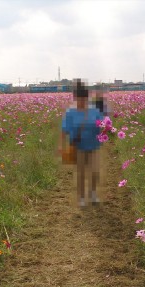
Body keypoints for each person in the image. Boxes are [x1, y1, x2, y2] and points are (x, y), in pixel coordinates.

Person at [60, 79, 104, 208]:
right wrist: (61, 146)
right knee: (81, 173)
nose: (82, 102)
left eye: (84, 99)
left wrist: (106, 129)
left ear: (87, 98)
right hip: (78, 146)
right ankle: (81, 197)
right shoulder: (70, 113)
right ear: (75, 98)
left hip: (94, 145)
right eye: (79, 99)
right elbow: (64, 130)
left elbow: (101, 126)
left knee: (95, 171)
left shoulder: (95, 111)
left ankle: (93, 194)